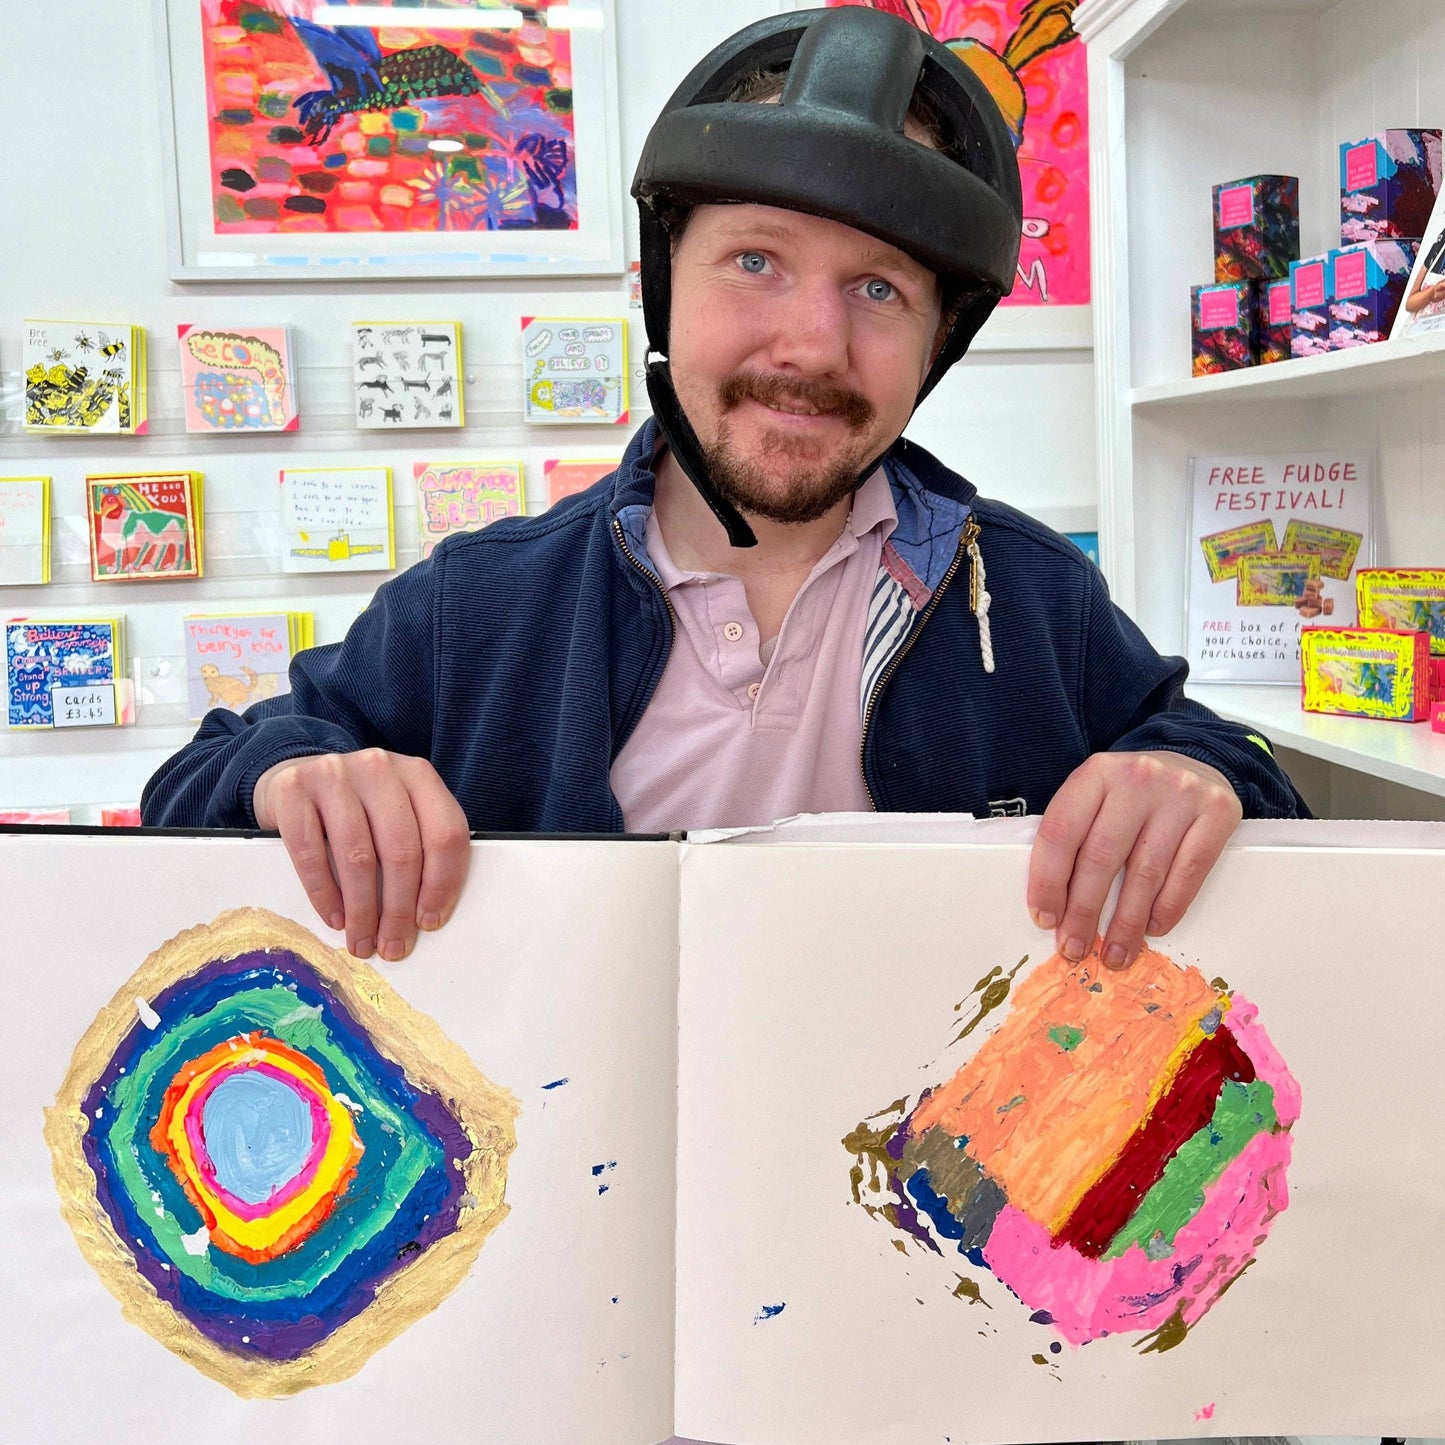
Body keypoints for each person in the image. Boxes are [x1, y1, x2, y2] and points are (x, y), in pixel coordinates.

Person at [142, 6, 1307, 969]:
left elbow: (1243, 775)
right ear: (663, 288)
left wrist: (1198, 774)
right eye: (755, 261)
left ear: (933, 345)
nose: (809, 344)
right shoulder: (477, 605)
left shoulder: (1031, 595)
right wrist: (293, 771)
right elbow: (190, 786)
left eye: (877, 290)